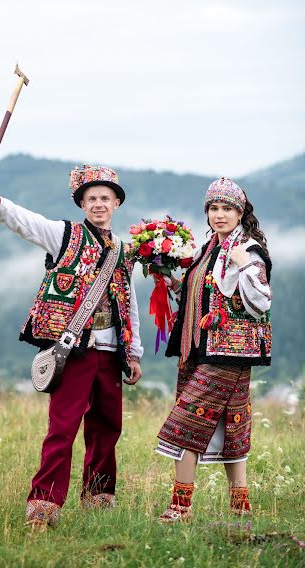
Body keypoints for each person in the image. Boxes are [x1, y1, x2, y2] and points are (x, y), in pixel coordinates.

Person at [0, 165, 143, 528]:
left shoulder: (124, 251)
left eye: (105, 198)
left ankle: (99, 500)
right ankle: (44, 506)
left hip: (112, 353)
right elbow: (26, 222)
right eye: (91, 198)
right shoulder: (65, 235)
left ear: (116, 204)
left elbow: (130, 304)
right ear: (82, 203)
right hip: (75, 348)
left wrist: (135, 352)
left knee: (108, 427)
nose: (99, 204)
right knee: (63, 428)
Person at [155, 177, 272, 523]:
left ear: (240, 212)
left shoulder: (246, 250)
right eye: (214, 208)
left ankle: (180, 508)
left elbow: (262, 301)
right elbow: (207, 295)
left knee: (187, 422)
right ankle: (240, 507)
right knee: (231, 424)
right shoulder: (211, 249)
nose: (220, 215)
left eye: (228, 208)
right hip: (204, 349)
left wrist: (246, 264)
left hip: (228, 353)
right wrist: (173, 282)